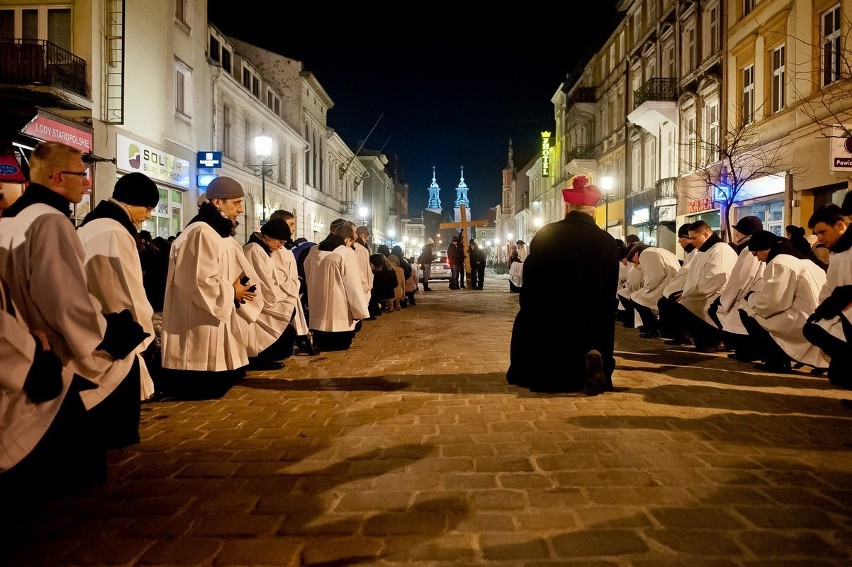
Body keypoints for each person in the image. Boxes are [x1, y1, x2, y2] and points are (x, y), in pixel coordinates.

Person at [0, 141, 147, 492]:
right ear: (56, 177)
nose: (87, 183)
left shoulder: (12, 219)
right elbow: (64, 300)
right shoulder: (51, 221)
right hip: (51, 349)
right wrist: (108, 333)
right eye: (81, 174)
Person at [507, 175, 619, 395]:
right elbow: (609, 289)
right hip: (592, 317)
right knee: (599, 327)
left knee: (527, 323)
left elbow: (531, 278)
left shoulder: (547, 234)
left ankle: (547, 373)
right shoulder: (607, 241)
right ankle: (595, 365)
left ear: (567, 208)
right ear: (593, 211)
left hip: (553, 316)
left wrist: (529, 306)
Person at [76, 172, 160, 449]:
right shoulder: (114, 232)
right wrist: (144, 331)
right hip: (115, 336)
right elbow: (126, 290)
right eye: (148, 208)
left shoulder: (95, 226)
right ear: (133, 202)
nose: (148, 215)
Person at [159, 176, 258, 400]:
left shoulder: (215, 230)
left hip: (214, 311)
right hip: (197, 316)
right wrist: (232, 291)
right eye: (236, 203)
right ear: (217, 202)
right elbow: (199, 280)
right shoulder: (201, 232)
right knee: (204, 378)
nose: (241, 209)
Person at [739, 230, 830, 373]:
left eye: (755, 253)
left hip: (802, 320)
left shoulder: (779, 262)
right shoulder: (805, 261)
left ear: (763, 248)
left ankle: (776, 360)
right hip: (818, 318)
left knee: (746, 310)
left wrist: (750, 296)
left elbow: (772, 303)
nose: (757, 259)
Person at [803, 203, 852, 388]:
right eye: (817, 234)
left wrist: (828, 308)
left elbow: (845, 289)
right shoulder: (839, 250)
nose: (820, 239)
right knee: (839, 377)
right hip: (843, 315)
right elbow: (831, 286)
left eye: (822, 232)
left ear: (840, 225)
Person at [302, 221, 370, 351]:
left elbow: (307, 272)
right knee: (340, 343)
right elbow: (352, 284)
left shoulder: (314, 250)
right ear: (347, 239)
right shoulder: (345, 252)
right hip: (339, 310)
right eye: (351, 242)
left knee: (321, 337)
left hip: (317, 305)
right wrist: (359, 311)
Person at [675, 220, 738, 352]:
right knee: (681, 305)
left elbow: (715, 279)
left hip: (715, 295)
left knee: (684, 307)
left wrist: (688, 293)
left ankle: (714, 340)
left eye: (693, 238)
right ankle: (707, 340)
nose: (691, 241)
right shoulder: (705, 250)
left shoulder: (720, 249)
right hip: (702, 293)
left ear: (705, 234)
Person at [243, 218, 297, 370]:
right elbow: (263, 284)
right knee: (282, 318)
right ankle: (260, 358)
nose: (280, 246)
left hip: (263, 299)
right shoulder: (254, 250)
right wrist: (280, 298)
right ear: (268, 235)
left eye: (283, 243)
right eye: (279, 241)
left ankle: (265, 356)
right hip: (256, 304)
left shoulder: (263, 250)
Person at [708, 216, 765, 361]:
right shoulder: (753, 248)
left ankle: (744, 350)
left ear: (746, 232)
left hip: (746, 295)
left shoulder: (748, 250)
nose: (736, 234)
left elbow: (740, 279)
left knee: (722, 313)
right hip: (752, 293)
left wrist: (725, 300)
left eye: (738, 231)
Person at [269, 209, 316, 356]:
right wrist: (295, 284)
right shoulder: (273, 250)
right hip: (281, 296)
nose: (293, 229)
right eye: (291, 224)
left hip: (291, 292)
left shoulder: (285, 249)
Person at [629, 244, 681, 339]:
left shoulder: (646, 254)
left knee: (635, 298)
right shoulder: (663, 250)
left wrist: (646, 289)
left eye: (633, 261)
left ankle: (651, 329)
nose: (636, 263)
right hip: (675, 285)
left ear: (636, 253)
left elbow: (655, 277)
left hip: (665, 287)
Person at [658, 223, 698, 344]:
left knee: (670, 303)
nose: (679, 241)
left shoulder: (696, 253)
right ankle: (675, 334)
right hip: (684, 288)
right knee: (665, 302)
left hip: (690, 290)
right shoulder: (691, 253)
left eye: (681, 237)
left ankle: (682, 335)